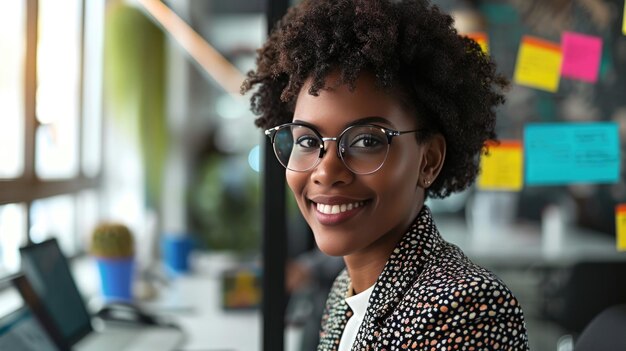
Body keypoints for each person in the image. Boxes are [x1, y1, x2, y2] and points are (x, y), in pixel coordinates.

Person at [241, 0, 530, 349]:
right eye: (306, 140)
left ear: (429, 161)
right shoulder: (344, 289)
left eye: (365, 141)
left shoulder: (465, 309)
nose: (326, 171)